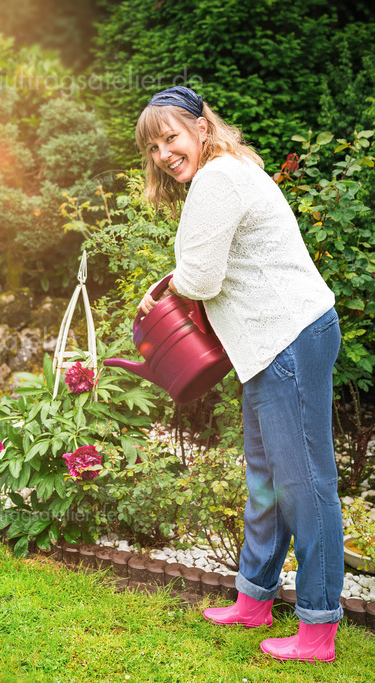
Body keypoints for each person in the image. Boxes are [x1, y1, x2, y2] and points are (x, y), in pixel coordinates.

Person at [135, 86, 343, 663]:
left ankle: (317, 630)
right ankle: (254, 599)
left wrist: (163, 291)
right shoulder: (229, 170)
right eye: (152, 147)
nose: (163, 154)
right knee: (266, 479)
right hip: (271, 344)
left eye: (170, 137)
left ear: (201, 127)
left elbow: (199, 278)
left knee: (305, 486)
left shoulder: (218, 179)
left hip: (287, 338)